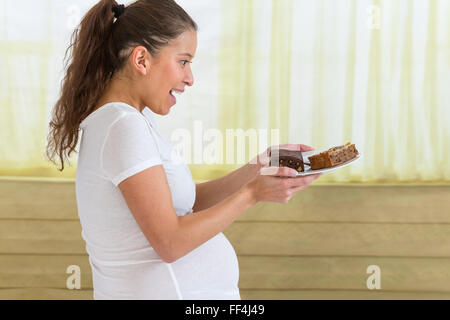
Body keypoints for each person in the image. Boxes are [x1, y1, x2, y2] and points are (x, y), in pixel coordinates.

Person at [46, 0, 322, 300]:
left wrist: (258, 167)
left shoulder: (128, 121)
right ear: (141, 60)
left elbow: (185, 205)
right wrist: (253, 194)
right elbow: (170, 242)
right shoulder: (121, 127)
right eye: (183, 61)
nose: (190, 78)